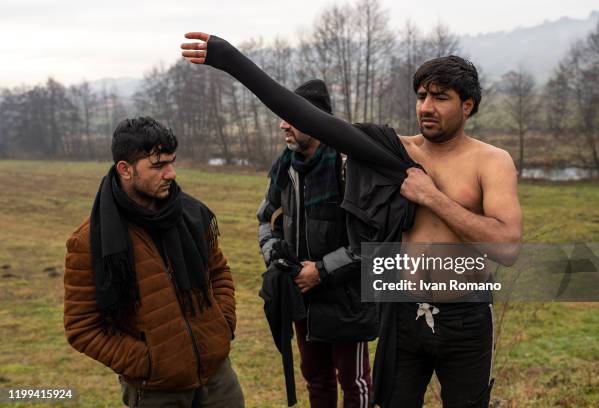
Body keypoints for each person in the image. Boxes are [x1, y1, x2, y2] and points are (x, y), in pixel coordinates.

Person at [180, 33, 522, 407]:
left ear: (468, 105)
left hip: (466, 316)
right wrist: (229, 58)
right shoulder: (395, 151)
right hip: (404, 312)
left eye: (440, 97)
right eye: (422, 96)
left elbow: (506, 246)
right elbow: (306, 116)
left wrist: (432, 197)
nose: (426, 106)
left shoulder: (491, 161)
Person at [63, 117, 244, 408]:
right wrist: (149, 362)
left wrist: (222, 326)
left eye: (172, 162)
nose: (171, 174)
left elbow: (219, 272)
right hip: (157, 391)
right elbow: (82, 327)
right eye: (159, 166)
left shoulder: (191, 214)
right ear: (125, 169)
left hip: (218, 378)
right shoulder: (89, 242)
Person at [257, 79, 376, 408]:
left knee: (354, 382)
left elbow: (372, 244)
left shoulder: (349, 167)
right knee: (316, 377)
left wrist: (321, 271)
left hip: (346, 297)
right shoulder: (285, 167)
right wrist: (274, 253)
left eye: (290, 116)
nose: (283, 124)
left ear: (315, 119)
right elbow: (265, 221)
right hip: (302, 296)